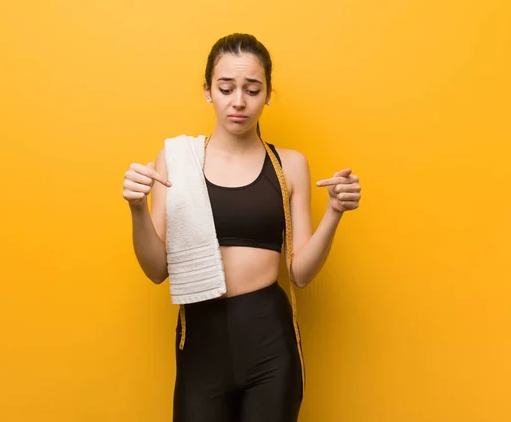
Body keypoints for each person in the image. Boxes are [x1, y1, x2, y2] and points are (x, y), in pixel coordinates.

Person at [122, 33, 361, 422]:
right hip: (200, 341)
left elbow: (299, 274)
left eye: (252, 89)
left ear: (267, 94)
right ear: (207, 91)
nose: (239, 101)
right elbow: (155, 270)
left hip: (269, 339)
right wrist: (136, 209)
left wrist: (335, 212)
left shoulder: (290, 166)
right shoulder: (176, 160)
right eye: (226, 88)